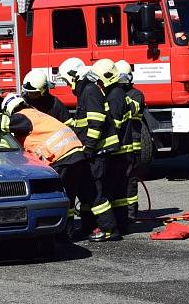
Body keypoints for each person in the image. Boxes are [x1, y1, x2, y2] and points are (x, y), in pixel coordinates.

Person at [0, 93, 91, 241]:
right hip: (76, 153)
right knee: (74, 196)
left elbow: (3, 123)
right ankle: (77, 230)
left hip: (62, 157)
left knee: (60, 197)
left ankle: (62, 235)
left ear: (9, 110)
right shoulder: (35, 113)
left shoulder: (22, 117)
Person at [58, 57, 119, 242]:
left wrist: (89, 148)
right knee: (86, 190)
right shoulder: (86, 90)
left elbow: (96, 122)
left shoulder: (89, 91)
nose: (66, 83)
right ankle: (88, 227)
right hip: (92, 151)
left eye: (66, 79)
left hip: (97, 151)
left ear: (73, 76)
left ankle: (110, 230)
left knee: (94, 191)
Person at [90, 59, 130, 233]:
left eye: (98, 80)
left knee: (112, 189)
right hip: (121, 151)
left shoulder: (114, 96)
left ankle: (117, 224)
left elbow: (114, 125)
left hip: (117, 152)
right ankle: (121, 223)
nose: (97, 83)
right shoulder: (117, 93)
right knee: (118, 191)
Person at [114, 60, 145, 223]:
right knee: (118, 179)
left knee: (131, 181)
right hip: (119, 145)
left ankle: (131, 213)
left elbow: (132, 110)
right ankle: (120, 212)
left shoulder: (136, 95)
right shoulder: (115, 94)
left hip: (133, 146)